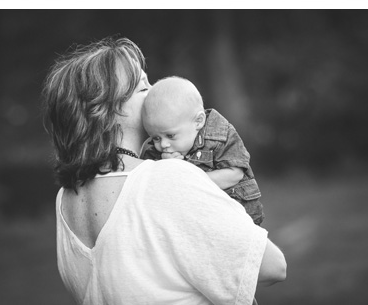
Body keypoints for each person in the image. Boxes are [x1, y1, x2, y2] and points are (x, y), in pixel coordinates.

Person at [45, 36, 286, 304]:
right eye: (143, 88)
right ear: (106, 111)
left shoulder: (65, 200)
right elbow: (272, 266)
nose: (157, 92)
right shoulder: (166, 177)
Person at [141, 76, 265, 225]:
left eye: (170, 135)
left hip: (236, 216)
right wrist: (168, 167)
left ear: (198, 121)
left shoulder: (219, 135)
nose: (163, 144)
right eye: (156, 138)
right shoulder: (155, 152)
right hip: (197, 220)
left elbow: (235, 174)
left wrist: (187, 176)